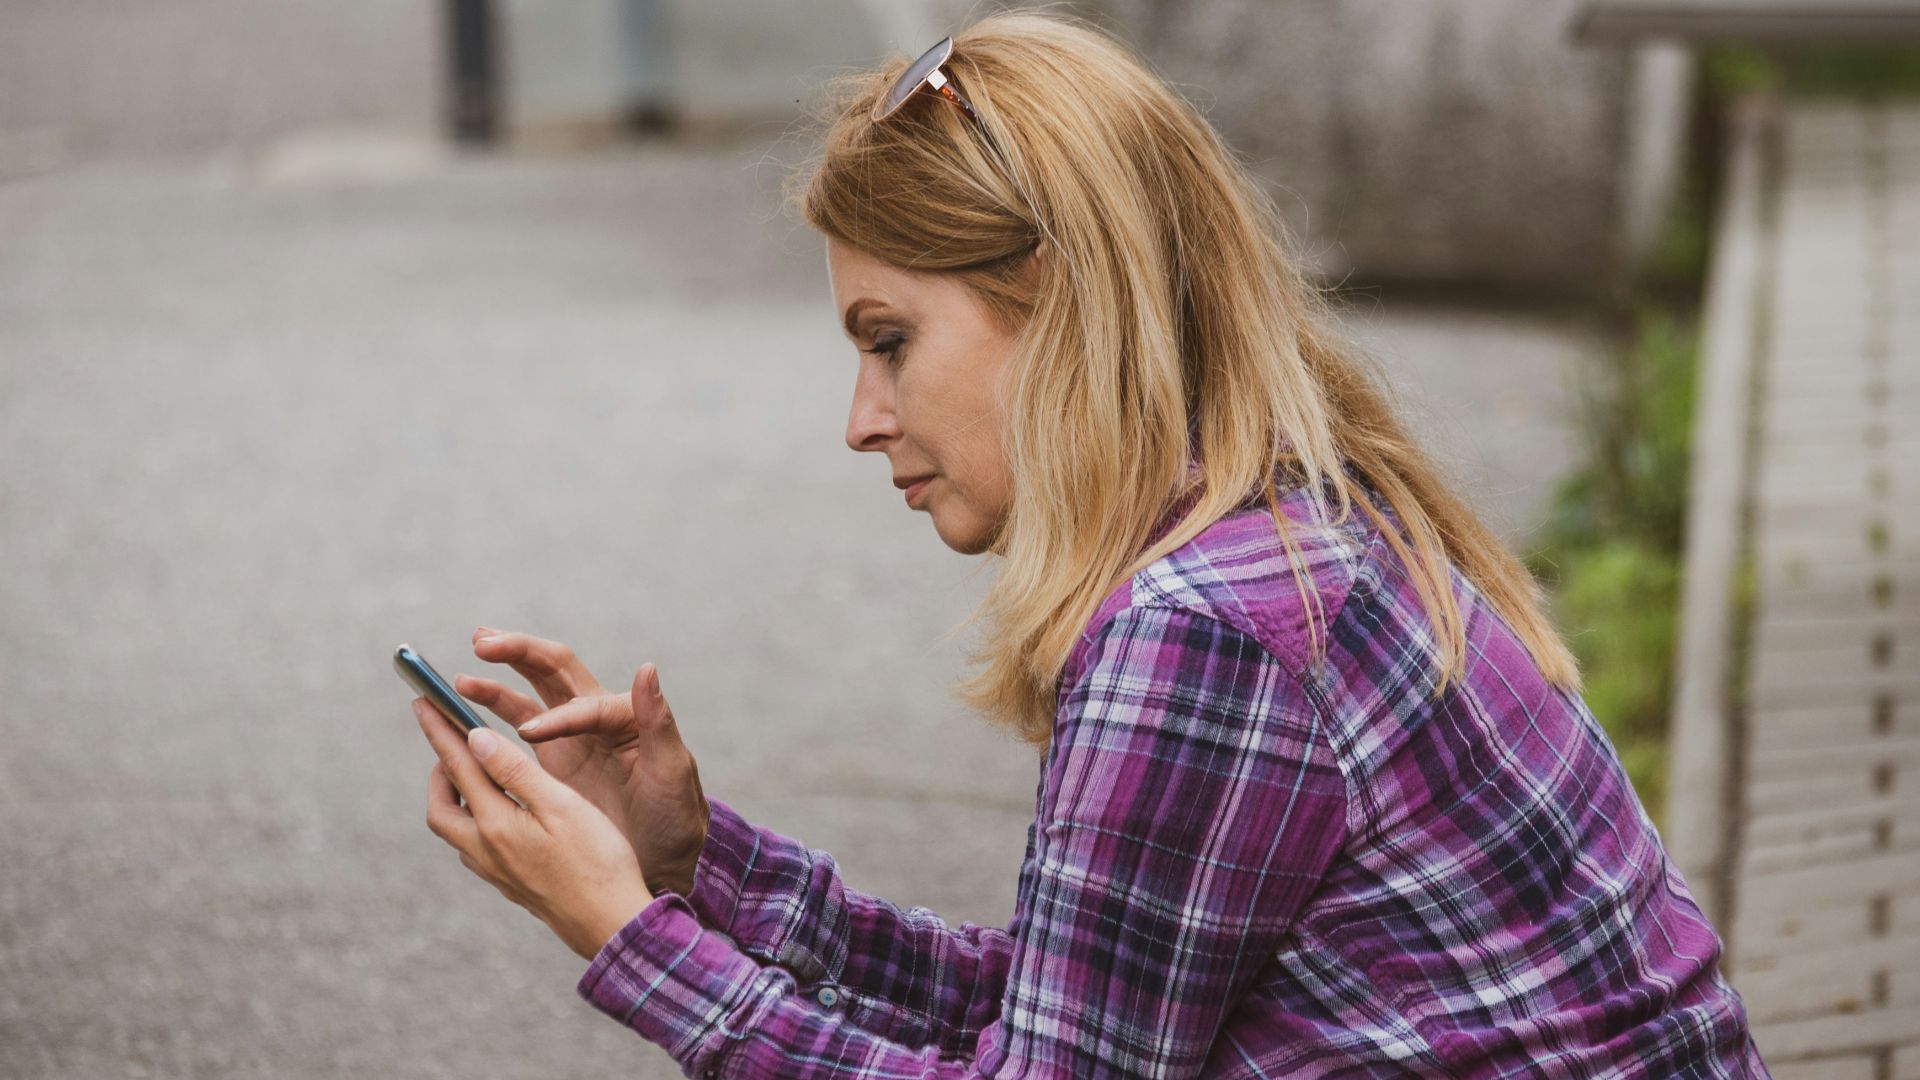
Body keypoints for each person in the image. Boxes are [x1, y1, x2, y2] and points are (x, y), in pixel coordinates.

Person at [410, 11, 1771, 1077]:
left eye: (891, 343)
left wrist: (635, 942)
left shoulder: (1205, 627)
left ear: (1055, 300)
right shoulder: (1298, 524)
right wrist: (699, 862)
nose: (862, 421)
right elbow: (1073, 1014)